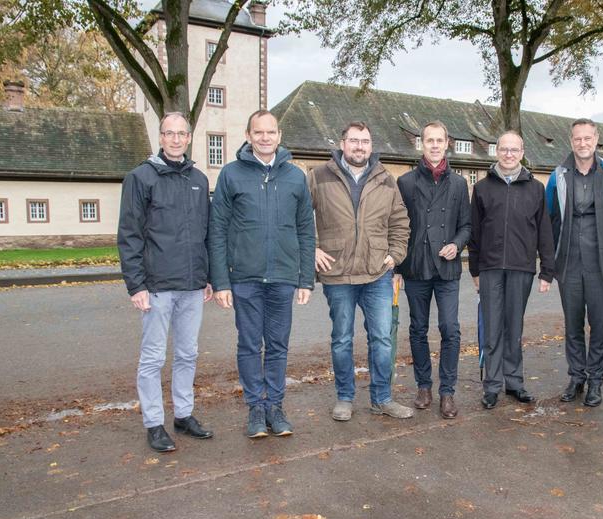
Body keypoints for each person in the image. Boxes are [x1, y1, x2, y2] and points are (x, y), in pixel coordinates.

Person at [208, 110, 315, 439]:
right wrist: (221, 281)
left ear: (279, 136)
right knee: (250, 345)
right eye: (259, 132)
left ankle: (275, 407)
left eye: (271, 132)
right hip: (245, 278)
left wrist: (305, 277)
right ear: (248, 135)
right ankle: (256, 407)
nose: (265, 137)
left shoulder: (296, 177)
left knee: (279, 346)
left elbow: (305, 230)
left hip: (283, 277)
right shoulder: (231, 175)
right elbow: (218, 230)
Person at [118, 111, 214, 452]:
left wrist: (208, 277)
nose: (175, 139)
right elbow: (129, 235)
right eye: (169, 133)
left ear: (189, 138)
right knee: (153, 358)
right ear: (160, 137)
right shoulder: (140, 178)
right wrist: (136, 285)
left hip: (192, 286)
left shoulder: (199, 180)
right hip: (156, 287)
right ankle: (154, 423)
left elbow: (206, 233)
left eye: (181, 134)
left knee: (188, 354)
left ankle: (183, 415)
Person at [308, 121, 412, 421]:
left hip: (377, 273)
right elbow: (300, 217)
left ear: (371, 145)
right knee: (341, 338)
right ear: (342, 143)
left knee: (381, 338)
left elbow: (400, 221)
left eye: (365, 141)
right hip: (337, 274)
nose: (359, 147)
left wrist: (395, 255)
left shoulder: (385, 179)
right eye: (354, 141)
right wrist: (312, 249)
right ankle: (344, 397)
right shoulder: (318, 177)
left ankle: (382, 398)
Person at [469, 131, 555, 410]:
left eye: (514, 149)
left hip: (521, 268)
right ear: (497, 151)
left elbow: (544, 230)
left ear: (522, 151)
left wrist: (547, 270)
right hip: (491, 268)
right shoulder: (482, 188)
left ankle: (514, 383)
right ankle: (492, 385)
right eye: (504, 149)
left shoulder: (535, 188)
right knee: (493, 328)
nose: (509, 154)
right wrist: (475, 270)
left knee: (514, 328)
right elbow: (475, 232)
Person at [546, 119, 603, 407]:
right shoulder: (558, 176)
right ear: (571, 141)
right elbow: (549, 218)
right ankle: (576, 377)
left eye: (587, 138)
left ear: (596, 139)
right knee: (573, 325)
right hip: (568, 264)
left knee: (600, 325)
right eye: (577, 139)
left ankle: (596, 381)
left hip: (601, 265)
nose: (583, 143)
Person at [396, 120, 471, 419]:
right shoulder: (406, 183)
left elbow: (467, 225)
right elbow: (399, 227)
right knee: (418, 329)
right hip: (416, 268)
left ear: (447, 143)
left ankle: (447, 392)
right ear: (422, 144)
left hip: (448, 268)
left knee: (450, 329)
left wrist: (457, 244)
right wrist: (398, 267)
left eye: (440, 140)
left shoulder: (459, 183)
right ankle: (424, 386)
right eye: (430, 140)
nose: (435, 145)